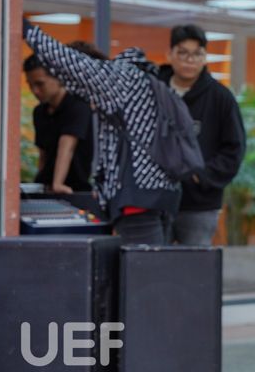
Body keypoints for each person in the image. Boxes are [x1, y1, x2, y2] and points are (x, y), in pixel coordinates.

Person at [23, 18, 181, 245]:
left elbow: (61, 57)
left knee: (143, 264)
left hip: (138, 201)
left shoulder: (114, 82)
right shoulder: (135, 81)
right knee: (148, 262)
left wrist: (26, 29)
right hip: (154, 196)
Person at [157, 24, 245, 245]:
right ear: (169, 54)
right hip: (155, 199)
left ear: (205, 57)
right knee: (152, 263)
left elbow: (234, 148)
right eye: (183, 53)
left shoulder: (220, 97)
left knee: (196, 263)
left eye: (197, 54)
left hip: (199, 204)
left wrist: (201, 175)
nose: (190, 60)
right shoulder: (154, 90)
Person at [23, 54, 94, 193]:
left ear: (59, 78)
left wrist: (58, 184)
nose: (35, 91)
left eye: (40, 84)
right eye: (30, 85)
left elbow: (67, 146)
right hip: (46, 186)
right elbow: (43, 154)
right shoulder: (39, 112)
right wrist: (40, 185)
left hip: (74, 189)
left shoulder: (78, 106)